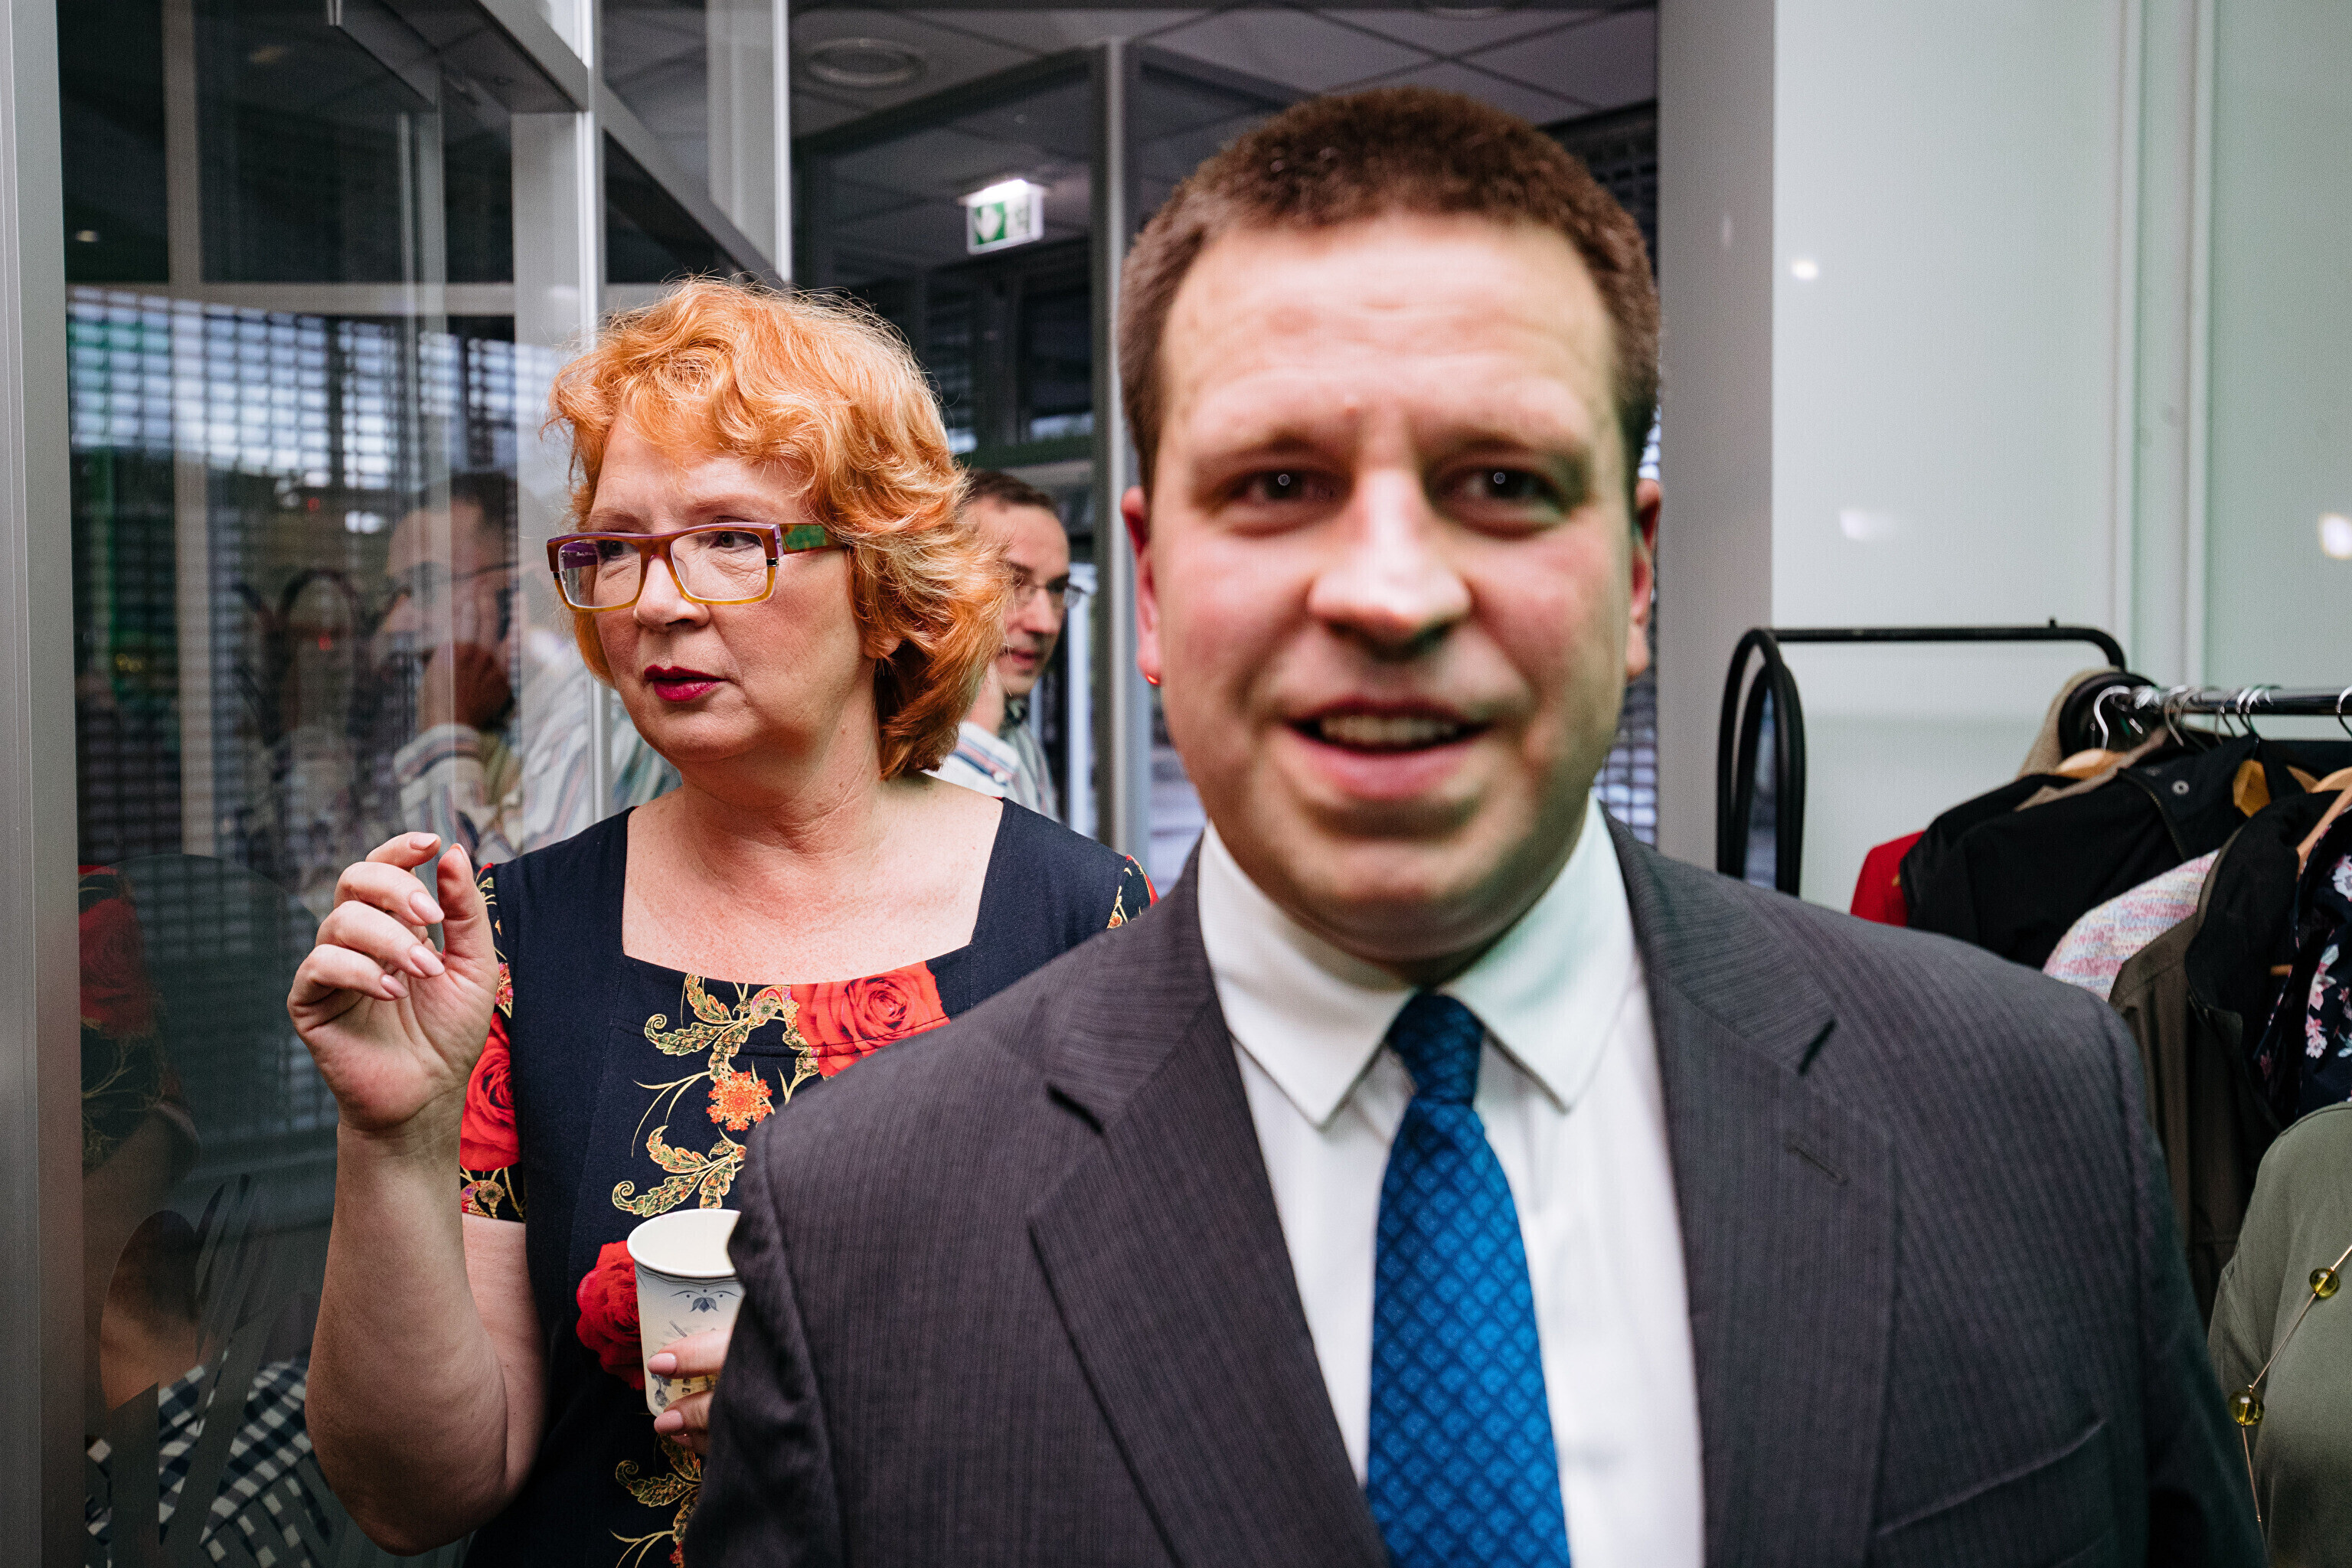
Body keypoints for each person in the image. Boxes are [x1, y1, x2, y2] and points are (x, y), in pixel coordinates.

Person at [690, 88, 2259, 1566]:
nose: (1390, 591)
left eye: (1500, 479)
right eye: (1278, 481)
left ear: (1634, 575)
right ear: (1153, 587)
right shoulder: (864, 1238)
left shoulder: (2027, 1113)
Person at [283, 280, 1151, 1563]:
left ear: (883, 585)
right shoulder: (513, 944)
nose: (654, 602)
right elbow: (413, 1496)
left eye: (730, 539)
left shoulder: (1081, 921)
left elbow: (1169, 1393)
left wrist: (858, 1384)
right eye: (616, 549)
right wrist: (392, 1137)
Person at [926, 469, 1076, 818]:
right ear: (935, 585)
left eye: (1057, 589)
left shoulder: (1018, 734)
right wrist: (976, 735)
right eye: (1010, 582)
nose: (1046, 623)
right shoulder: (878, 744)